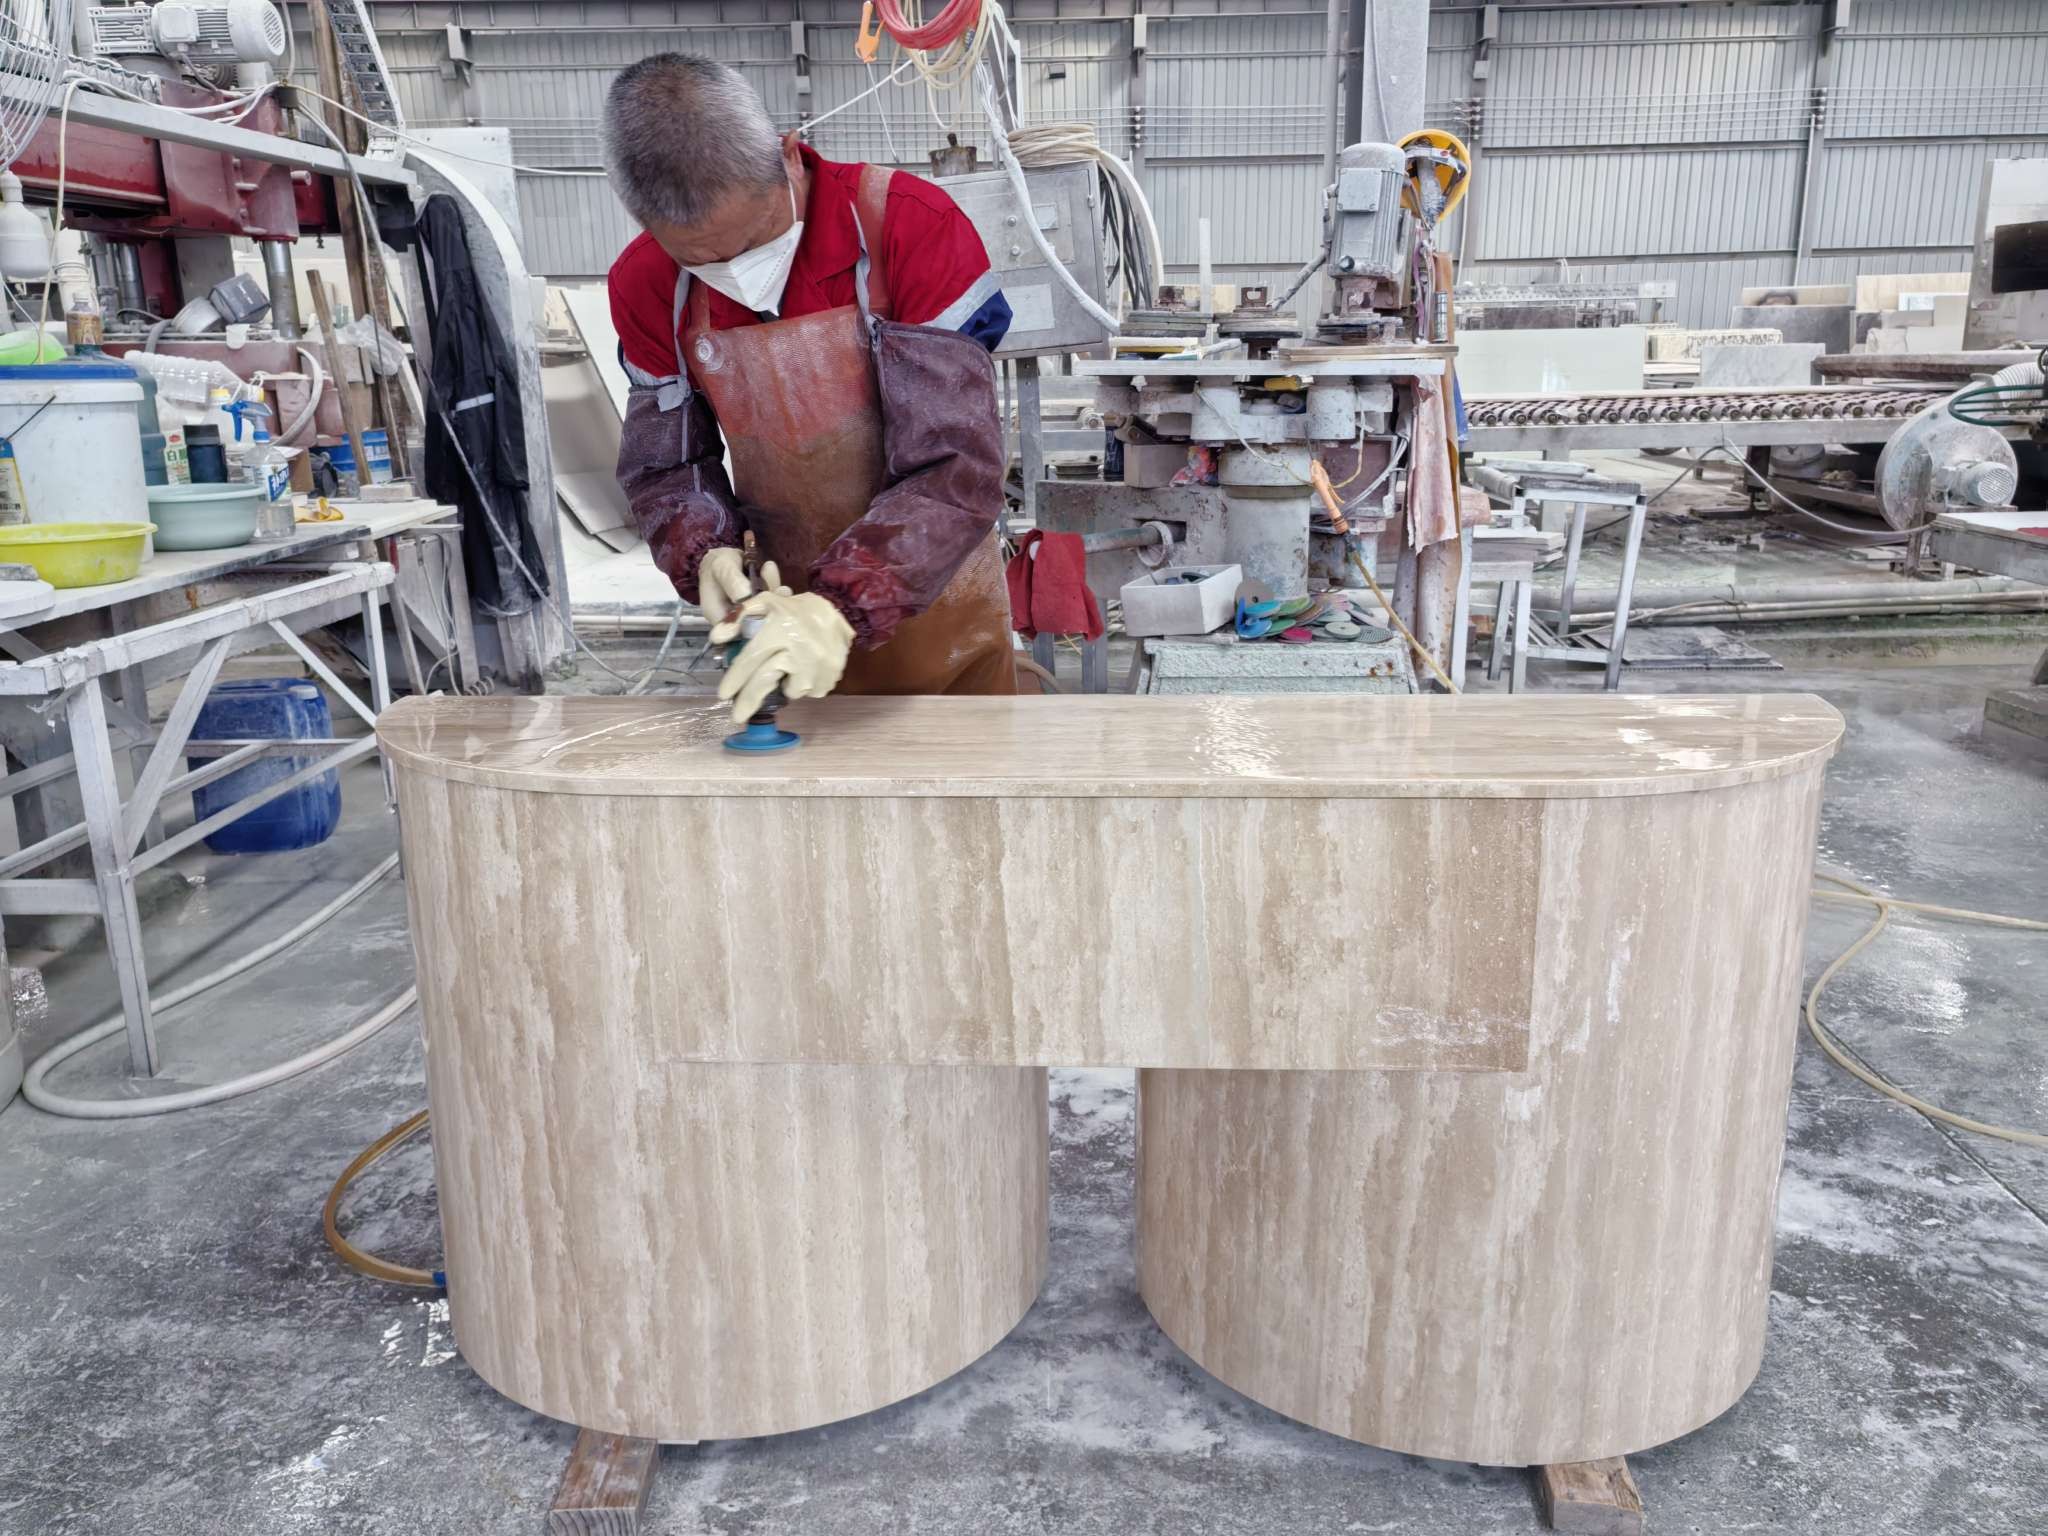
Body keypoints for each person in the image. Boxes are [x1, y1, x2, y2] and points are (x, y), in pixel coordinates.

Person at [602, 53, 1018, 722]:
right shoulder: (645, 282)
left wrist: (839, 607)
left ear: (789, 157)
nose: (735, 271)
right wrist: (703, 551)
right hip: (778, 620)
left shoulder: (907, 225)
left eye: (751, 239)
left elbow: (955, 467)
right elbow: (667, 467)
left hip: (942, 608)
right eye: (701, 260)